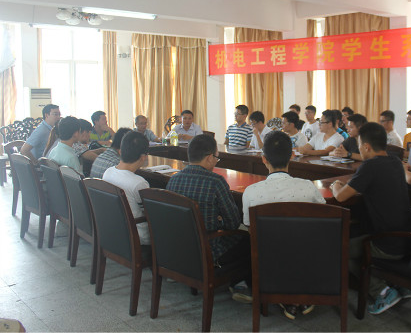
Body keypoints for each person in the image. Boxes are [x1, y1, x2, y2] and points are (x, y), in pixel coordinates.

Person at [331, 122, 411, 315]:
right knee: (356, 234)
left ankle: (382, 291)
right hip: (408, 238)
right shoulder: (395, 161)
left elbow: (341, 197)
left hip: (388, 244)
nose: (359, 149)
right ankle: (396, 283)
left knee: (339, 248)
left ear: (367, 146)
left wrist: (336, 184)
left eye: (360, 145)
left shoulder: (370, 166)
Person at [242, 131, 325, 319]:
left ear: (264, 159)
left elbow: (249, 227)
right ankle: (300, 294)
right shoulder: (308, 187)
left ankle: (283, 294)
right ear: (292, 156)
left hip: (268, 258)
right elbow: (323, 220)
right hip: (305, 257)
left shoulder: (251, 192)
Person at [167, 135, 251, 303]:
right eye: (217, 158)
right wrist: (219, 221)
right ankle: (240, 283)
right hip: (208, 250)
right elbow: (233, 222)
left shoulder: (173, 179)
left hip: (180, 248)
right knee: (249, 238)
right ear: (209, 158)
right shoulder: (216, 181)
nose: (216, 162)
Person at [102, 131, 151, 245]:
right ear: (143, 157)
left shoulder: (108, 172)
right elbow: (150, 214)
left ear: (120, 151)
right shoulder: (139, 183)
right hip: (138, 236)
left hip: (115, 229)